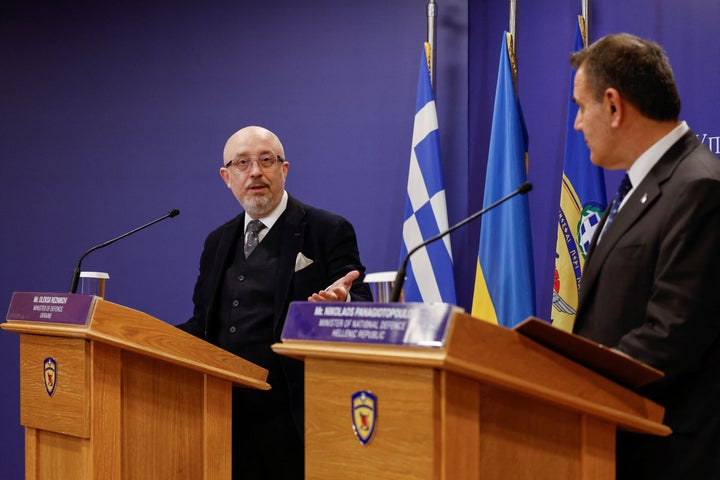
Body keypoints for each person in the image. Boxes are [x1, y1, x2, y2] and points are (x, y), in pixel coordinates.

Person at [176, 125, 373, 479]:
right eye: (242, 163)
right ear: (226, 177)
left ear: (284, 169)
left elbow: (359, 299)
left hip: (294, 414)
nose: (255, 172)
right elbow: (202, 323)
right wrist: (150, 337)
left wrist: (340, 305)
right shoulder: (217, 241)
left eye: (266, 160)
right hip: (225, 411)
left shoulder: (326, 229)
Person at [570, 33, 720, 478]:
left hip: (670, 455)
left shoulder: (699, 188)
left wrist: (570, 376)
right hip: (618, 443)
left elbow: (671, 336)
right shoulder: (640, 187)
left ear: (613, 106)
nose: (578, 124)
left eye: (581, 106)